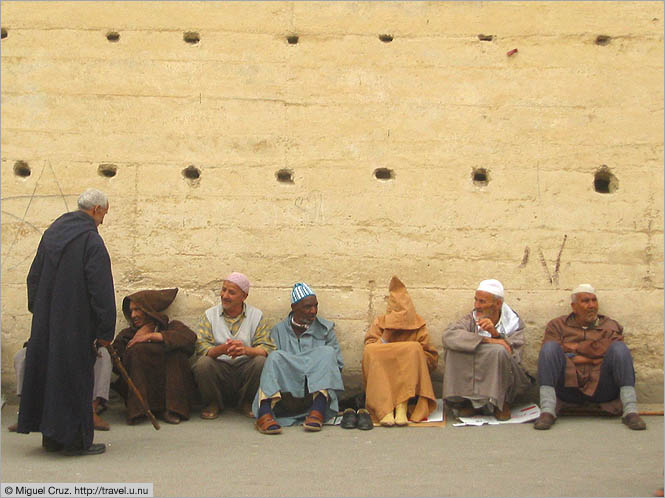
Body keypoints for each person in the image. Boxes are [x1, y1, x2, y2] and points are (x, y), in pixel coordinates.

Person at [17, 188, 116, 456]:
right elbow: (101, 289)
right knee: (74, 380)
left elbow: (33, 277)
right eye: (103, 214)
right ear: (95, 210)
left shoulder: (52, 234)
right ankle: (74, 442)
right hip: (76, 324)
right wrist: (105, 329)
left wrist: (39, 312)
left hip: (47, 322)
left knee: (49, 376)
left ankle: (51, 438)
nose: (102, 221)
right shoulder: (91, 241)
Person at [533, 284, 646, 430]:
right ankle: (547, 411)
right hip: (568, 388)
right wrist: (594, 357)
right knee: (549, 349)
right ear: (574, 306)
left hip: (601, 388)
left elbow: (614, 354)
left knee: (620, 349)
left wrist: (574, 350)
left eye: (594, 300)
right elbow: (553, 354)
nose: (591, 305)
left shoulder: (610, 326)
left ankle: (630, 412)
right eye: (585, 301)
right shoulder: (557, 326)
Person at [253, 283, 344, 434]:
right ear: (294, 307)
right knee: (274, 357)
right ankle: (264, 413)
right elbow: (273, 370)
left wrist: (313, 370)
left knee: (327, 353)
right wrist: (299, 368)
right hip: (286, 396)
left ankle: (317, 411)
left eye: (315, 306)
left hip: (314, 393)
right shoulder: (278, 331)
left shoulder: (325, 330)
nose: (313, 311)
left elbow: (337, 366)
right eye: (307, 307)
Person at [442, 279, 530, 421]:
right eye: (476, 300)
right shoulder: (470, 319)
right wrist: (486, 340)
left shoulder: (513, 323)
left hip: (509, 374)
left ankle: (501, 404)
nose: (477, 306)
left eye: (482, 302)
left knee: (499, 352)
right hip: (476, 371)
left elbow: (514, 355)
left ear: (498, 304)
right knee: (455, 348)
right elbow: (449, 336)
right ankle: (470, 402)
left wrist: (495, 334)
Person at [191, 272, 275, 420]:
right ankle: (213, 403)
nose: (225, 296)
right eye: (223, 290)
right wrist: (222, 349)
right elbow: (201, 347)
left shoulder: (257, 316)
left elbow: (267, 348)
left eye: (231, 292)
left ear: (244, 296)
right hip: (219, 369)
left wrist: (246, 350)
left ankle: (247, 402)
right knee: (203, 363)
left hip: (245, 369)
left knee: (261, 362)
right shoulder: (209, 315)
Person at [111, 288, 196, 425]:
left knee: (176, 354)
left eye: (138, 309)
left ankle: (172, 409)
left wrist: (153, 336)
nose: (133, 315)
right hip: (140, 388)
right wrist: (133, 346)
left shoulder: (171, 327)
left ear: (149, 310)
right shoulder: (127, 335)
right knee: (137, 351)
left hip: (169, 389)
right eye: (131, 311)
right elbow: (116, 364)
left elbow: (189, 339)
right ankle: (140, 410)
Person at [362, 276, 438, 426]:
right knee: (373, 350)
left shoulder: (419, 326)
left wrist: (413, 357)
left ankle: (401, 406)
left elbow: (431, 360)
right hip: (385, 378)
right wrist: (385, 337)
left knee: (413, 348)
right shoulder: (380, 323)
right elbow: (368, 353)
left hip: (408, 380)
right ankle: (385, 409)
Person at [9, 342, 112, 432]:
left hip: (85, 344)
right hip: (51, 343)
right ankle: (27, 413)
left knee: (103, 355)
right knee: (21, 356)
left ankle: (91, 410)